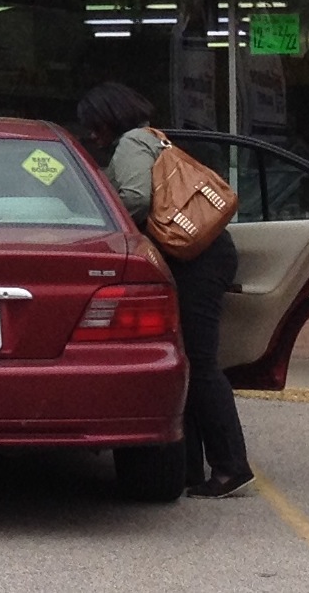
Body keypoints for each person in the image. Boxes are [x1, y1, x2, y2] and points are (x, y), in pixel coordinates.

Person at [74, 80, 253, 499]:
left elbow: (136, 199)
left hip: (196, 261)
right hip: (202, 254)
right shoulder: (151, 139)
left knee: (200, 364)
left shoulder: (131, 143)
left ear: (107, 118)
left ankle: (231, 466)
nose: (92, 134)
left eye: (93, 125)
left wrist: (101, 221)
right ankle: (191, 466)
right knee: (187, 361)